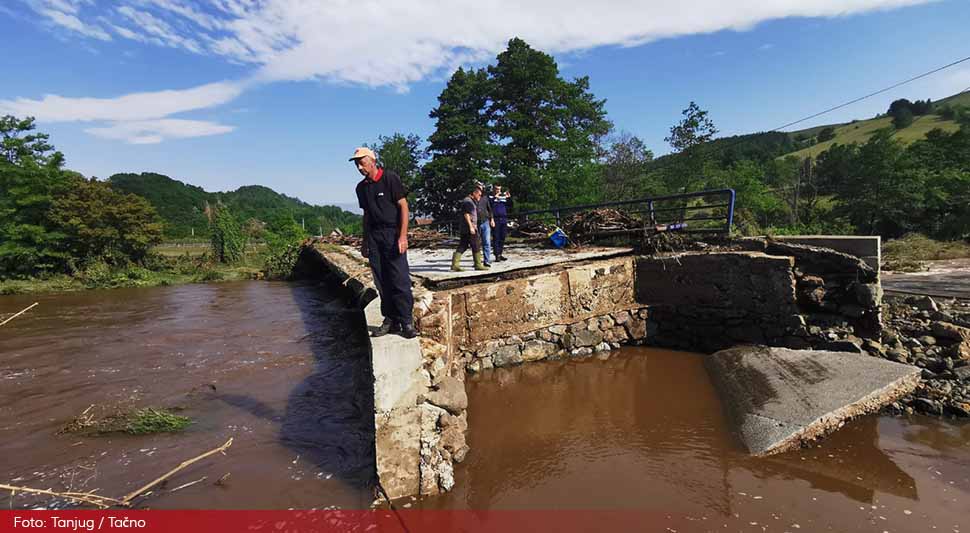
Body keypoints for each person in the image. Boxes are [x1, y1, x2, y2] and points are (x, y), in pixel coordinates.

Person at [351, 147, 417, 338]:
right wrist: (364, 242)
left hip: (392, 234)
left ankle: (406, 321)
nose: (359, 167)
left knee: (400, 280)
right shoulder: (361, 188)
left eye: (361, 162)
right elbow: (366, 215)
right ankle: (390, 319)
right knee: (381, 281)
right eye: (356, 164)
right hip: (374, 236)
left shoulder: (389, 178)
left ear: (372, 160)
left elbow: (403, 206)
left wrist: (403, 235)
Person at [451, 184, 488, 272]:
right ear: (474, 193)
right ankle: (478, 264)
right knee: (476, 244)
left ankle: (455, 264)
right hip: (469, 228)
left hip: (465, 227)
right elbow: (466, 214)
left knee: (463, 245)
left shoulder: (469, 201)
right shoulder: (468, 202)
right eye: (479, 194)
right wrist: (471, 226)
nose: (480, 196)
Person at [489, 184, 510, 261]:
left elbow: (510, 206)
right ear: (493, 189)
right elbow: (489, 205)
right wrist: (495, 197)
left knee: (502, 237)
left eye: (499, 189)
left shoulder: (503, 198)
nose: (498, 191)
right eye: (497, 189)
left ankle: (500, 253)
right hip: (495, 219)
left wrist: (508, 198)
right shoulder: (490, 197)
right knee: (496, 237)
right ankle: (497, 254)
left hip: (503, 219)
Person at [476, 182, 495, 266]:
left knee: (487, 242)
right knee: (476, 243)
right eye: (477, 188)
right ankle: (477, 261)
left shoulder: (485, 198)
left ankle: (486, 261)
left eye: (480, 188)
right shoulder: (471, 199)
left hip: (485, 222)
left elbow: (489, 209)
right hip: (475, 223)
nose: (479, 190)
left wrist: (492, 219)